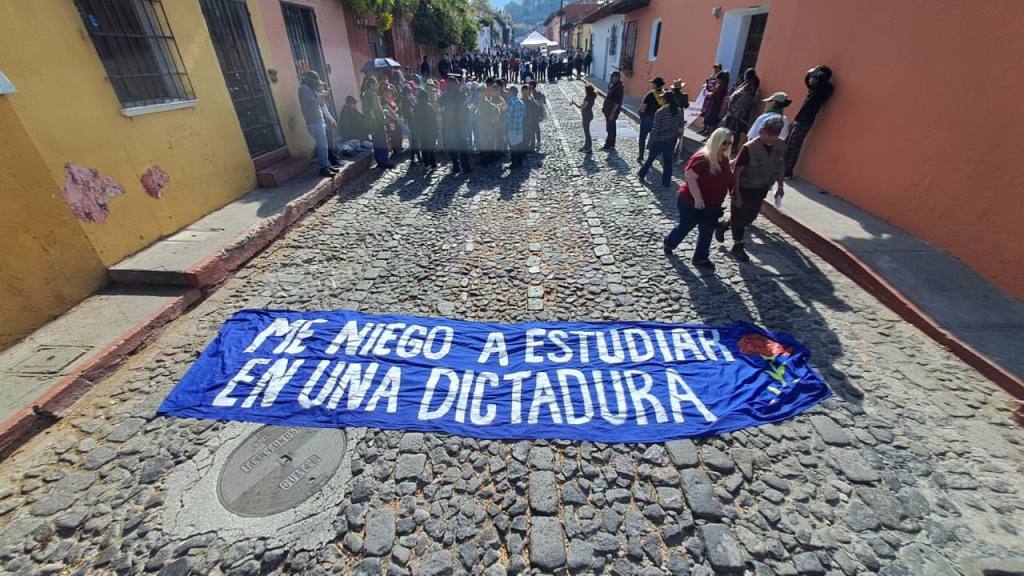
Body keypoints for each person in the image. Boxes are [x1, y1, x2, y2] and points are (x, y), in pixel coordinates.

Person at [716, 115, 786, 261]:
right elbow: (737, 172)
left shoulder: (780, 146)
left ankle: (724, 225)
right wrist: (736, 194)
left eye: (772, 134)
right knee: (740, 215)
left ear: (777, 134)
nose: (767, 136)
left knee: (750, 216)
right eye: (765, 132)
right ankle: (738, 245)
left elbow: (780, 167)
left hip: (761, 187)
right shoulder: (750, 148)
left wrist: (780, 186)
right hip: (744, 186)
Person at [663, 127, 735, 269]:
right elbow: (690, 177)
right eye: (724, 142)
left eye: (729, 143)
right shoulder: (702, 157)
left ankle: (701, 258)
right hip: (691, 201)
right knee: (686, 225)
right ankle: (669, 243)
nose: (727, 146)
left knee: (707, 231)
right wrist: (698, 199)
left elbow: (726, 177)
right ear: (716, 141)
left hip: (712, 204)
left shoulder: (724, 159)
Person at [786, 65, 834, 178]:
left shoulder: (824, 89)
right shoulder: (814, 89)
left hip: (805, 121)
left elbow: (819, 80)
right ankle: (783, 168)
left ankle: (787, 171)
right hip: (799, 119)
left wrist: (816, 71)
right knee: (788, 143)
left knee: (794, 146)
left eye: (815, 77)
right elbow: (807, 79)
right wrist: (814, 72)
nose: (812, 80)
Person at [638, 91, 684, 188]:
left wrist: (650, 142)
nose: (661, 100)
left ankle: (642, 174)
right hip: (671, 139)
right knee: (668, 161)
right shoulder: (679, 111)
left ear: (665, 100)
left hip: (659, 139)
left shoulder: (660, 112)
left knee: (650, 159)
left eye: (662, 98)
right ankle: (666, 182)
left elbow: (655, 129)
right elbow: (681, 125)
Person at [298, 71, 337, 177]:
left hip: (319, 122)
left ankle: (327, 165)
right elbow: (313, 103)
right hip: (314, 123)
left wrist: (331, 120)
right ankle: (323, 168)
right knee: (321, 146)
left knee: (324, 146)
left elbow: (323, 107)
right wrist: (321, 96)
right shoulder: (304, 89)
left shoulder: (312, 89)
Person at [722, 68, 760, 155]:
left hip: (738, 114)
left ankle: (732, 151)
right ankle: (730, 150)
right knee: (732, 133)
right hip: (735, 112)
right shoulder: (746, 85)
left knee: (735, 133)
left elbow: (747, 100)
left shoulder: (750, 87)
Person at [361, 76, 393, 169]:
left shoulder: (365, 95)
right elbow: (377, 110)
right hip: (377, 122)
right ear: (371, 85)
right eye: (376, 84)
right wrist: (383, 119)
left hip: (371, 123)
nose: (377, 85)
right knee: (382, 142)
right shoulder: (372, 95)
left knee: (376, 142)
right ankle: (384, 161)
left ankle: (379, 160)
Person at [441, 77, 472, 173]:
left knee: (452, 146)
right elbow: (464, 106)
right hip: (459, 123)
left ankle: (456, 166)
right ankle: (466, 167)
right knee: (462, 146)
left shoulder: (445, 95)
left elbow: (441, 105)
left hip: (448, 123)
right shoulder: (460, 94)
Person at [638, 76, 667, 162]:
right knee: (654, 140)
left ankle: (641, 156)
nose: (651, 85)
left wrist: (641, 116)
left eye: (653, 83)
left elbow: (643, 108)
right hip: (659, 121)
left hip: (647, 119)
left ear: (655, 85)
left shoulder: (650, 94)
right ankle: (650, 159)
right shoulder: (665, 95)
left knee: (642, 138)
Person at [414, 80, 439, 169]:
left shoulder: (416, 106)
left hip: (421, 130)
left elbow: (415, 120)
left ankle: (426, 164)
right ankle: (433, 164)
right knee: (431, 147)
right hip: (430, 130)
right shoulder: (429, 106)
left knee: (424, 147)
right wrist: (437, 129)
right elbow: (434, 119)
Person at [697, 64, 723, 135]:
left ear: (719, 69)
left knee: (710, 114)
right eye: (714, 68)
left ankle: (708, 130)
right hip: (707, 96)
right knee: (705, 112)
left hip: (713, 97)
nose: (715, 70)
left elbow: (715, 86)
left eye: (716, 68)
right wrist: (705, 86)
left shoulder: (719, 77)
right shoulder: (712, 76)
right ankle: (704, 128)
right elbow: (708, 83)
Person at [601, 71, 623, 150]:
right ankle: (611, 144)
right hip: (609, 110)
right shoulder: (614, 85)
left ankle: (608, 145)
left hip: (612, 111)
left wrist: (612, 113)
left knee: (610, 128)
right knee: (610, 128)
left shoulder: (618, 88)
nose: (611, 78)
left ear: (617, 77)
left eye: (612, 76)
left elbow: (617, 102)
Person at [505, 85, 526, 169]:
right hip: (519, 128)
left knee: (513, 147)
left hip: (512, 128)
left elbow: (507, 117)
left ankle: (514, 163)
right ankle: (520, 162)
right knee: (519, 146)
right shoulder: (521, 102)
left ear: (511, 93)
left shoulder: (510, 103)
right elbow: (524, 115)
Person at [573, 84, 597, 152]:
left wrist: (574, 103)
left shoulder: (587, 97)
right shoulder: (592, 96)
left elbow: (582, 107)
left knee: (587, 132)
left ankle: (588, 147)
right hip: (589, 114)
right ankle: (586, 146)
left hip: (586, 115)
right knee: (587, 132)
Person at [528, 80, 546, 150]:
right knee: (531, 127)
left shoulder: (538, 93)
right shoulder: (528, 92)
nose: (529, 86)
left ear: (534, 86)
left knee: (536, 127)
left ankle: (538, 141)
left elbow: (540, 104)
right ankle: (531, 142)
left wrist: (541, 115)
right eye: (529, 85)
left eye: (531, 85)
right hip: (530, 113)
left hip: (536, 113)